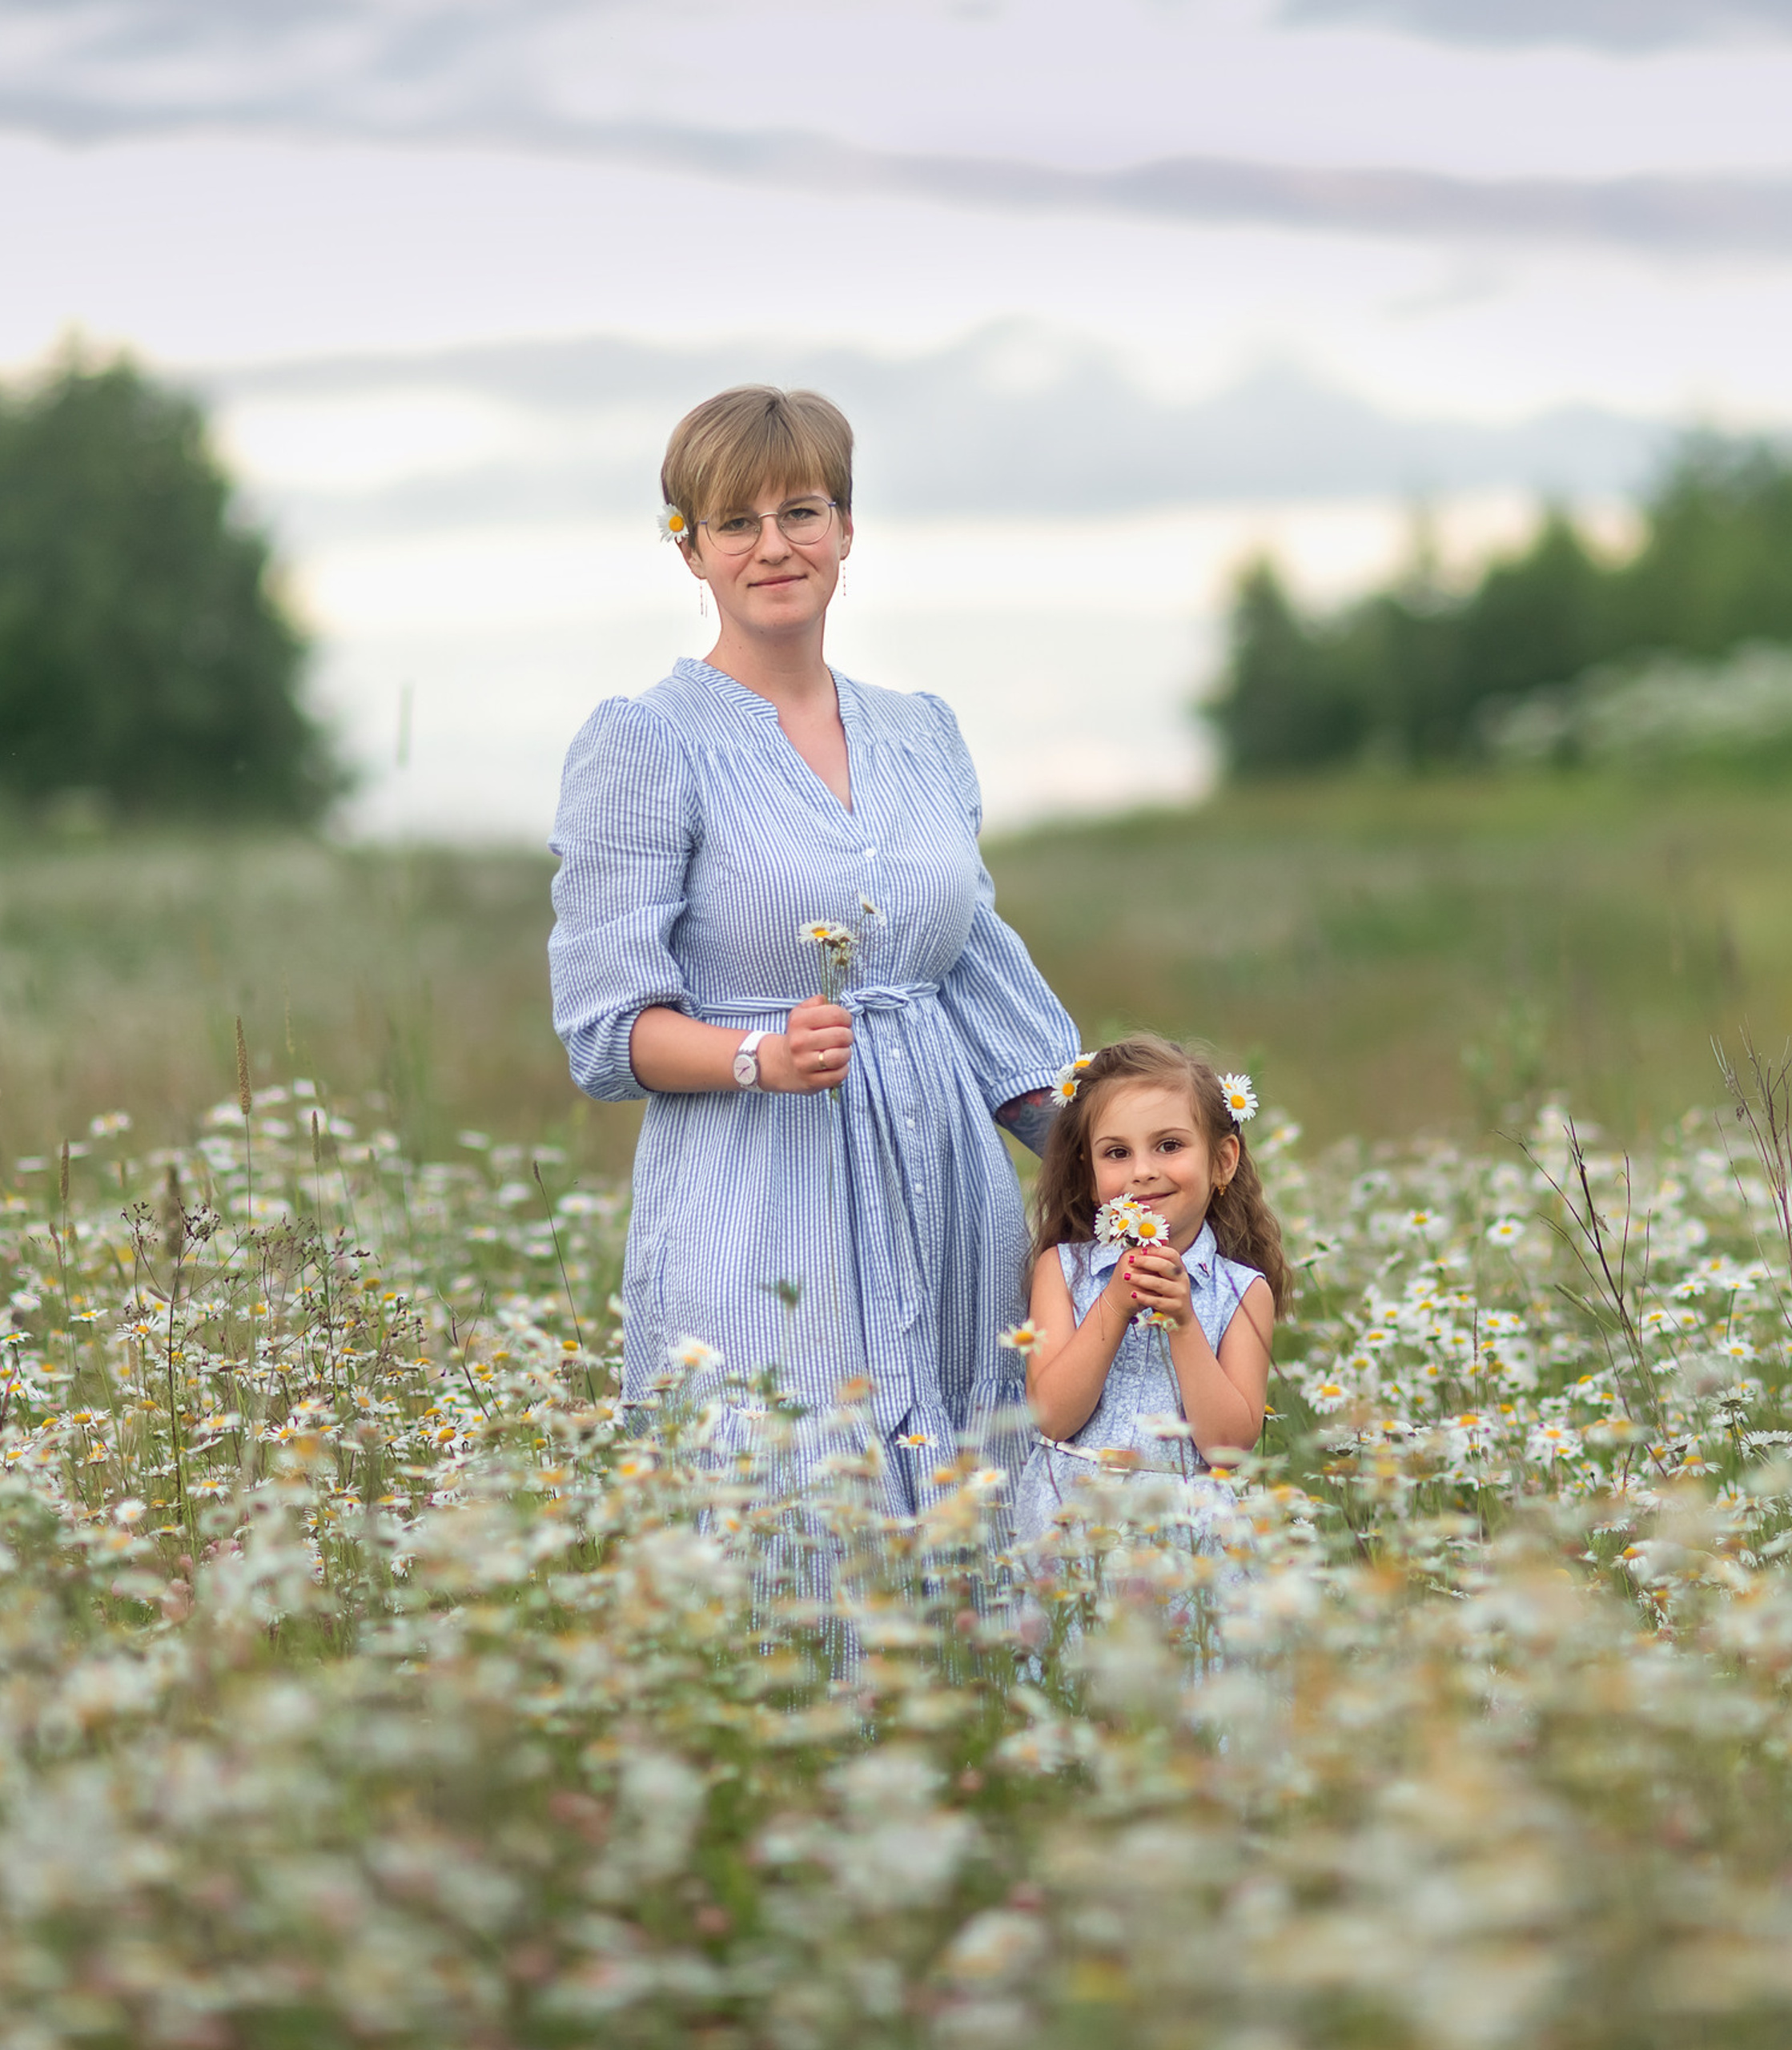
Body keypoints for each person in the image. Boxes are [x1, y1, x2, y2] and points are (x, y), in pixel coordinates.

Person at [548, 385, 1078, 1513]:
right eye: (736, 523)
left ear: (846, 530)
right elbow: (605, 1031)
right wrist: (760, 1058)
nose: (774, 546)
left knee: (974, 1494)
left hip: (950, 1191)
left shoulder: (922, 730)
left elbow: (981, 985)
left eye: (802, 512)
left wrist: (1121, 1162)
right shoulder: (646, 742)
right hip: (758, 1190)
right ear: (690, 549)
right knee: (795, 1497)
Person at [1010, 1035, 1287, 1544]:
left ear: (1223, 1161)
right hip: (1073, 1528)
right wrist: (1113, 1303)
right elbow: (1051, 1417)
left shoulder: (1243, 1291)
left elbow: (1228, 1447)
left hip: (1188, 1538)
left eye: (1170, 1145)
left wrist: (1183, 1322)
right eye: (1116, 1153)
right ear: (1090, 1175)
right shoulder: (1064, 1270)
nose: (1142, 1171)